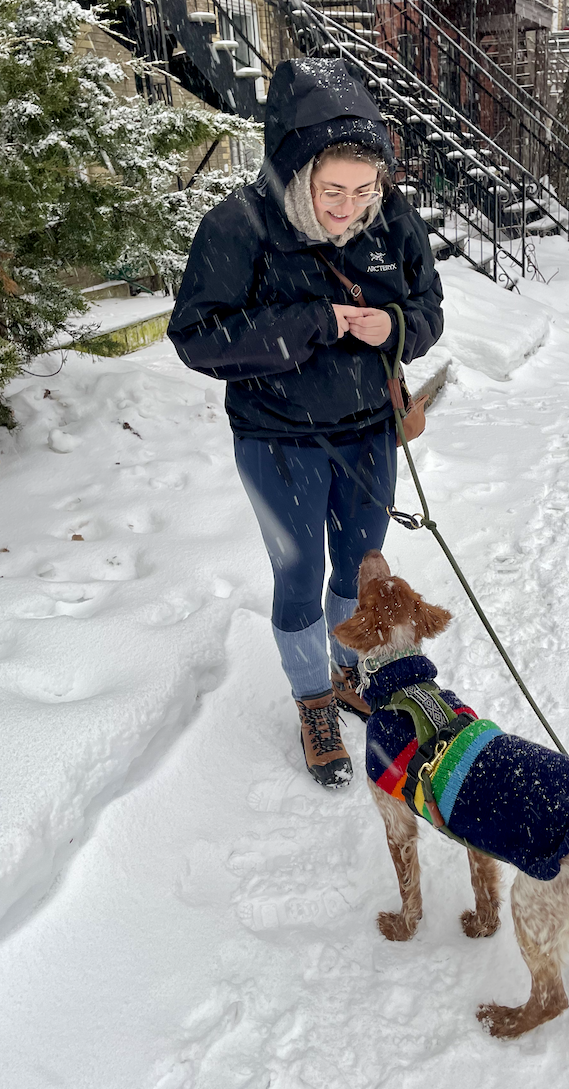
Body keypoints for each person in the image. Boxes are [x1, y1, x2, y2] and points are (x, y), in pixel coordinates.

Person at [167, 59, 443, 788]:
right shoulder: (238, 227)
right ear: (298, 173)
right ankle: (312, 698)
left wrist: (396, 327)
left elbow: (429, 309)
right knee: (299, 574)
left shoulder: (393, 220)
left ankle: (347, 668)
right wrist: (312, 323)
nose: (350, 208)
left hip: (370, 432)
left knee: (359, 567)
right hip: (278, 437)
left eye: (365, 190)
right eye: (333, 192)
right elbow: (196, 336)